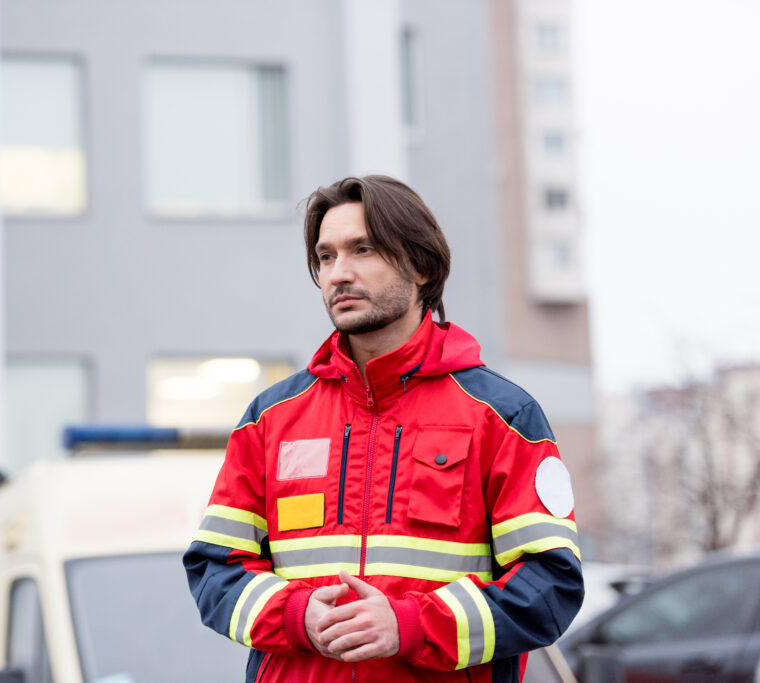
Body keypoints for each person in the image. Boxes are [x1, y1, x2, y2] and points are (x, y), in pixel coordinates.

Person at [183, 175, 584, 682]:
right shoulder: (270, 419)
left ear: (421, 266)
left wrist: (412, 625)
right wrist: (293, 615)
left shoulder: (503, 416)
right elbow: (213, 571)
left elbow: (551, 587)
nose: (338, 274)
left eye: (363, 249)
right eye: (326, 257)